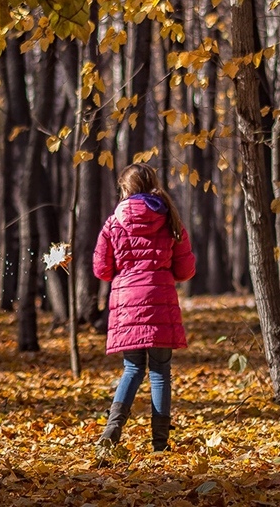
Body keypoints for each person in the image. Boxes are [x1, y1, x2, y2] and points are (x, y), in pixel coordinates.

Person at [93, 163, 196, 453]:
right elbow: (186, 270)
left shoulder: (113, 223)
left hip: (127, 303)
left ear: (126, 189)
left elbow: (102, 269)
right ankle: (160, 443)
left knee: (132, 368)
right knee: (160, 371)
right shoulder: (170, 218)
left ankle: (113, 429)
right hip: (160, 301)